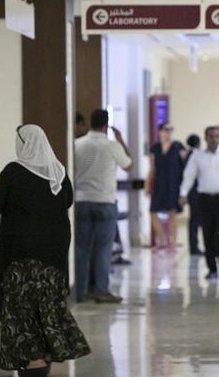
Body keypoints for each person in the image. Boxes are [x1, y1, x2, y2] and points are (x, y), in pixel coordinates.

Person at [0, 125, 90, 376]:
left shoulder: (13, 171)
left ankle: (34, 368)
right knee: (46, 320)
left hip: (20, 260)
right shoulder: (59, 173)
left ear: (24, 144)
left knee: (23, 323)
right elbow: (67, 202)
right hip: (53, 260)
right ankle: (41, 364)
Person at [74, 109, 133, 304]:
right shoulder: (112, 145)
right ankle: (100, 290)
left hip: (81, 200)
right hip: (105, 202)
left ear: (91, 122)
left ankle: (81, 291)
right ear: (106, 125)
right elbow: (129, 165)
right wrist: (121, 140)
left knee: (82, 248)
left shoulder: (77, 145)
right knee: (103, 248)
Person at [180, 126, 219, 279]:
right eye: (210, 136)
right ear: (205, 138)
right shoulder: (198, 156)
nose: (213, 139)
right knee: (207, 233)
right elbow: (189, 176)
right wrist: (183, 194)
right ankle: (212, 269)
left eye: (216, 136)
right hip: (204, 199)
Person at [146, 123, 186, 250]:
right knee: (153, 212)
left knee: (171, 213)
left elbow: (186, 166)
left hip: (174, 184)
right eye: (166, 129)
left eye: (171, 130)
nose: (168, 132)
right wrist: (147, 184)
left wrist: (185, 188)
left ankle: (173, 243)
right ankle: (161, 241)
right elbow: (151, 168)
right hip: (159, 184)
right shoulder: (155, 148)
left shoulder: (178, 146)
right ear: (160, 131)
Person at [184, 134, 203, 256]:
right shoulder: (196, 156)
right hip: (195, 192)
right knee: (195, 220)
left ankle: (194, 246)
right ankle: (194, 247)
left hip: (192, 191)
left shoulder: (187, 155)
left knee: (194, 219)